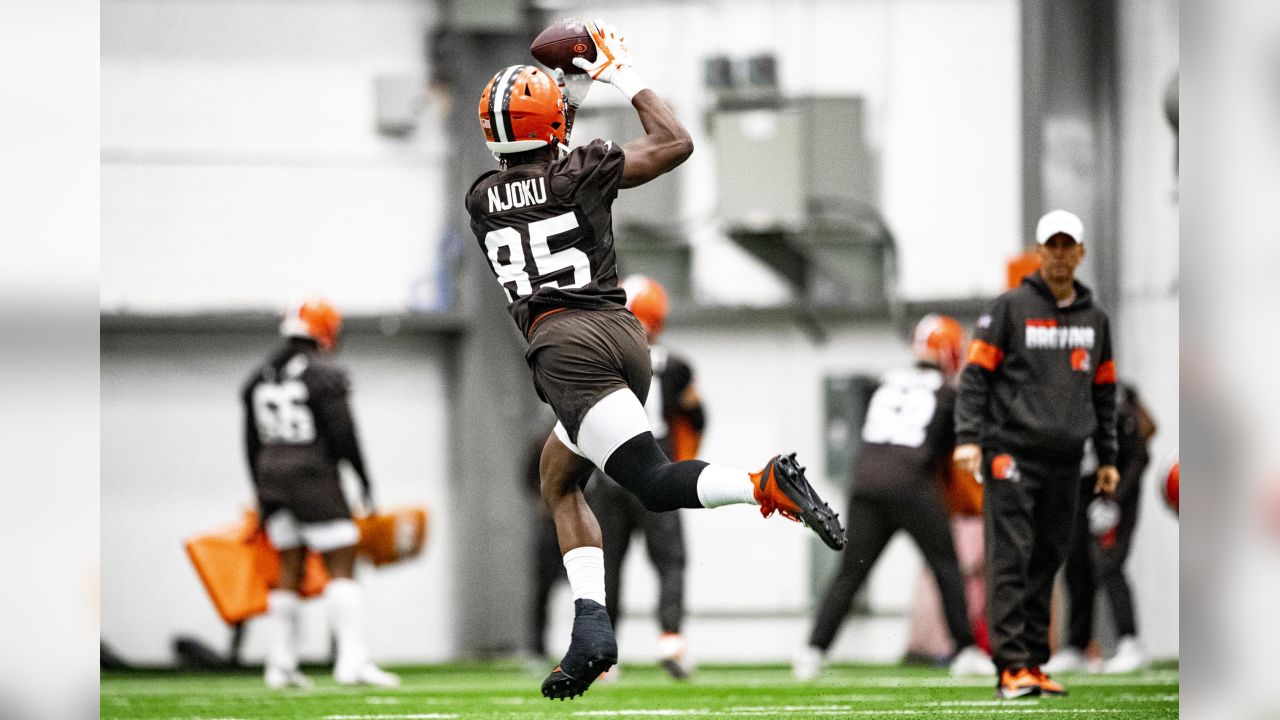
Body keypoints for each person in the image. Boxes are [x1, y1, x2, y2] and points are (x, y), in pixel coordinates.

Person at [464, 20, 845, 700]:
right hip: (622, 336)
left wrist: (569, 91)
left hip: (565, 348)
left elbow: (540, 161)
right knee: (560, 477)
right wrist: (620, 75)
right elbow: (674, 143)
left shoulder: (480, 199)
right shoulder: (582, 171)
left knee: (653, 480)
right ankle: (591, 627)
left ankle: (765, 484)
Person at [953, 209, 1120, 699]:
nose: (1061, 254)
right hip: (1011, 452)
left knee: (1048, 558)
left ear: (1081, 253)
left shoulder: (1096, 320)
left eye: (1069, 246)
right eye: (1053, 245)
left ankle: (1034, 662)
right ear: (1040, 251)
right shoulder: (1010, 308)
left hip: (1067, 459)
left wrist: (1107, 458)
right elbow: (975, 378)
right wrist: (968, 439)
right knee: (1011, 557)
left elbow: (1104, 391)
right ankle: (1010, 667)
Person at [793, 315, 994, 681]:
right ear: (949, 352)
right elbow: (952, 455)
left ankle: (812, 651)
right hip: (912, 483)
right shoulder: (948, 394)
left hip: (866, 482)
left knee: (850, 572)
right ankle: (965, 650)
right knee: (946, 565)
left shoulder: (884, 382)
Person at [242, 298, 399, 689]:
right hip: (314, 477)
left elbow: (250, 442)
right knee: (342, 564)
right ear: (325, 330)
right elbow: (344, 432)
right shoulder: (323, 374)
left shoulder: (261, 375)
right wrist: (363, 478)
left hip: (272, 478)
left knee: (289, 569)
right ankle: (351, 659)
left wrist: (261, 492)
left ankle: (279, 665)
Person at [586, 275, 702, 681]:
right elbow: (697, 416)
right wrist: (682, 463)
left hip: (609, 472)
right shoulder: (677, 366)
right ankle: (671, 640)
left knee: (608, 566)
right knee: (671, 561)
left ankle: (602, 657)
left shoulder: (597, 357)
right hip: (656, 472)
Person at [1045, 382, 1156, 674]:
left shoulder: (1108, 397)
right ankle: (1076, 646)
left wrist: (1114, 500)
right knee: (1075, 565)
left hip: (1115, 490)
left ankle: (1130, 641)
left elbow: (1139, 455)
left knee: (1108, 564)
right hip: (1083, 490)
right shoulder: (1058, 396)